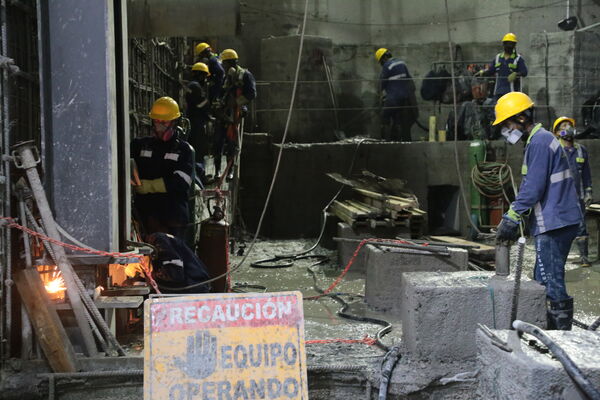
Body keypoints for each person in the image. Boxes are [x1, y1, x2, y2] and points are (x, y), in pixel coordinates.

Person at [493, 92, 582, 330]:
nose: (506, 130)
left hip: (554, 223)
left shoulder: (540, 141)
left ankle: (560, 338)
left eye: (507, 124)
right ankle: (550, 331)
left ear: (521, 118)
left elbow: (532, 188)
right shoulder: (539, 140)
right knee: (542, 278)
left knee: (550, 282)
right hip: (559, 219)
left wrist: (512, 217)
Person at [131, 97, 194, 239]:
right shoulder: (141, 146)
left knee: (172, 256)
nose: (159, 126)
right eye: (156, 121)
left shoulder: (183, 150)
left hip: (172, 217)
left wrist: (149, 186)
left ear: (174, 122)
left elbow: (181, 182)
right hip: (146, 214)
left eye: (164, 122)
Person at [553, 116, 593, 267]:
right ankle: (558, 259)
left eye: (569, 125)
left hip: (577, 196)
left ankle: (584, 258)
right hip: (559, 196)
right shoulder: (555, 149)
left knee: (581, 226)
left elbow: (586, 174)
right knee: (559, 227)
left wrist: (588, 191)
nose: (567, 128)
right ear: (557, 133)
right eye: (563, 126)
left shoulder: (581, 150)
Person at [213, 48, 256, 180]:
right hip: (224, 114)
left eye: (224, 64)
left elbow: (252, 94)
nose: (223, 67)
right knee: (218, 142)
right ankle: (218, 171)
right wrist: (219, 104)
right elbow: (221, 93)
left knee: (231, 143)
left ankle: (230, 171)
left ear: (230, 63)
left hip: (236, 113)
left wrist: (237, 102)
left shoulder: (245, 75)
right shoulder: (227, 77)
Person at [375, 48, 418, 142]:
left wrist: (379, 96)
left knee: (384, 117)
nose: (381, 63)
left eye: (381, 61)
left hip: (393, 99)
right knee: (399, 121)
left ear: (383, 58)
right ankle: (401, 139)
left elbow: (381, 85)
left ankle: (386, 142)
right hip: (406, 100)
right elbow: (410, 82)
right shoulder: (402, 63)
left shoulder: (387, 66)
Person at [146, 232, 211, 294]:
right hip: (198, 284)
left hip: (194, 286)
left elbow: (175, 273)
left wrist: (152, 276)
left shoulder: (159, 239)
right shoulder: (166, 239)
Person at [478, 33, 528, 100]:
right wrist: (482, 73)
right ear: (504, 44)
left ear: (514, 45)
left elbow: (524, 72)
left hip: (512, 93)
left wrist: (516, 74)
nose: (509, 46)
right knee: (495, 109)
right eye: (508, 43)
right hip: (498, 92)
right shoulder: (498, 58)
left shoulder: (518, 59)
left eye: (511, 44)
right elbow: (491, 70)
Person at [186, 62, 211, 163]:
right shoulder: (195, 86)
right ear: (199, 75)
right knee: (198, 148)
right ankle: (198, 171)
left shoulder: (192, 85)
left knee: (195, 146)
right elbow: (200, 104)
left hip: (194, 120)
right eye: (204, 76)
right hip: (196, 122)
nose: (205, 79)